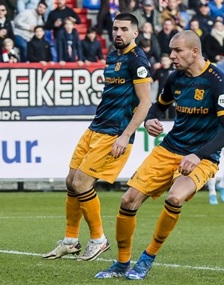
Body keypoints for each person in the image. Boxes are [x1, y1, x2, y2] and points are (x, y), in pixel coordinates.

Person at [95, 30, 224, 280]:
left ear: (194, 51)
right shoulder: (175, 78)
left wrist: (198, 155)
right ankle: (121, 263)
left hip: (203, 156)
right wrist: (152, 118)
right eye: (170, 50)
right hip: (168, 149)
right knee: (127, 201)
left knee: (175, 198)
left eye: (177, 51)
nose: (171, 56)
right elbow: (159, 105)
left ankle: (147, 258)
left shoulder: (217, 82)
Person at [42, 13, 152, 261]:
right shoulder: (113, 55)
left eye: (124, 29)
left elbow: (145, 102)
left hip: (114, 132)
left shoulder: (138, 60)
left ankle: (99, 239)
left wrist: (125, 136)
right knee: (71, 181)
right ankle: (70, 240)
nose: (118, 33)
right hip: (95, 127)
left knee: (82, 183)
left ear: (135, 33)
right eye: (115, 29)